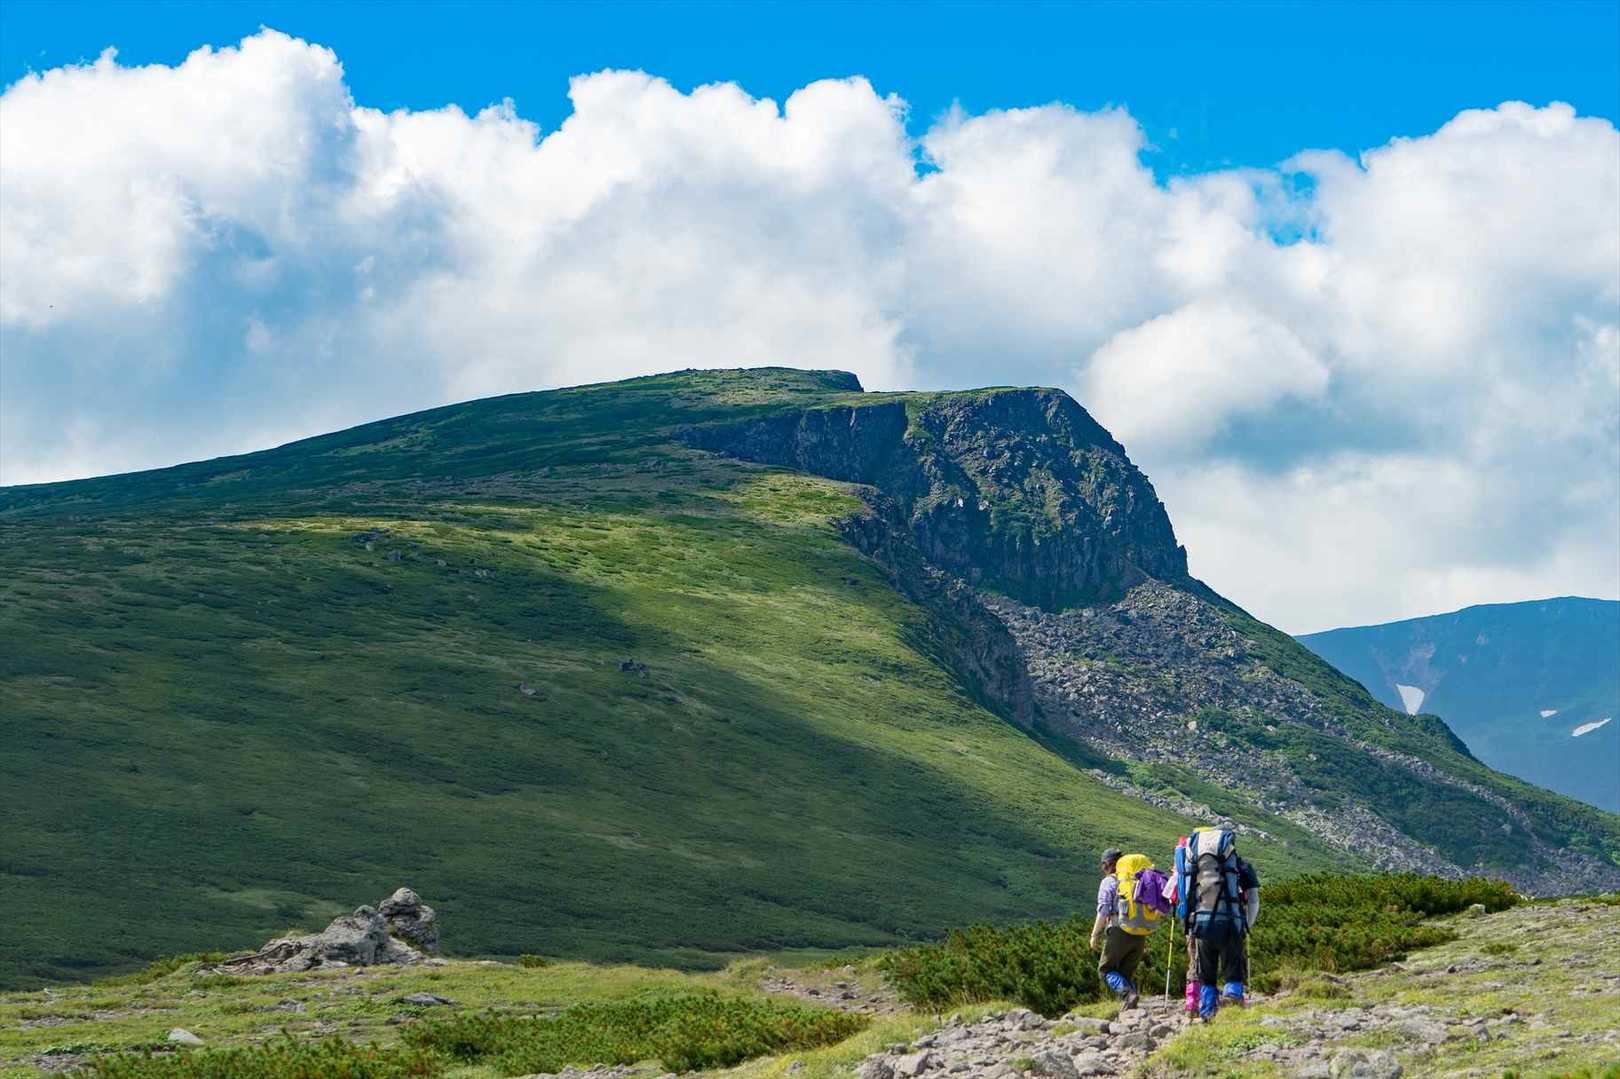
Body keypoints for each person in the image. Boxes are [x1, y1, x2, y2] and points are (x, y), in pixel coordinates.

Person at [1089, 847, 1144, 1008]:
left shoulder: (1109, 882)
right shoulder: (1135, 879)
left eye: (1103, 864)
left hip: (1118, 929)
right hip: (1140, 931)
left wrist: (1094, 935)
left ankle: (1128, 995)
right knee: (1126, 972)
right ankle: (1131, 1005)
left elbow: (1103, 910)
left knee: (1105, 969)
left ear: (1108, 864)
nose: (1102, 868)